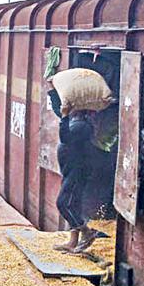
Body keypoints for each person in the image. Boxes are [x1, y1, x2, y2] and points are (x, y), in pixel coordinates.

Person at [48, 82, 100, 253]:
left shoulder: (82, 125)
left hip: (78, 171)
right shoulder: (75, 121)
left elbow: (65, 138)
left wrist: (64, 117)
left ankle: (86, 232)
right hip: (71, 169)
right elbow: (59, 111)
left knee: (63, 203)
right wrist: (53, 90)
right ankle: (72, 241)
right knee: (74, 204)